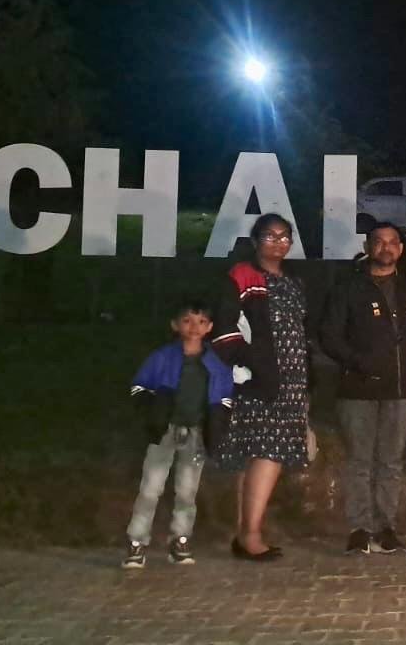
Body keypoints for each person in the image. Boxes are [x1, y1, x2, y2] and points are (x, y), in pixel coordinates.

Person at [211, 214, 312, 562]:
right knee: (267, 451)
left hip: (292, 380)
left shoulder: (295, 281)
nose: (278, 242)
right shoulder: (242, 275)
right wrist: (255, 363)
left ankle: (245, 533)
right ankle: (252, 534)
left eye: (284, 236)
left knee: (258, 453)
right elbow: (224, 329)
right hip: (260, 379)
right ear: (256, 240)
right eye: (270, 236)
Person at [320, 222, 406, 556]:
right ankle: (360, 528)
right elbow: (329, 335)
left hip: (399, 390)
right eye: (379, 241)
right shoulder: (348, 286)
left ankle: (386, 527)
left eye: (392, 242)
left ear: (401, 249)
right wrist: (358, 362)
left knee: (391, 462)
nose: (386, 247)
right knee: (359, 461)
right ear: (367, 246)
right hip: (357, 390)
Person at [121, 299, 235, 568]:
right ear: (175, 325)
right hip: (164, 432)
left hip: (196, 434)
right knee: (150, 488)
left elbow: (225, 396)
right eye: (187, 321)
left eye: (201, 322)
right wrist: (152, 412)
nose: (194, 327)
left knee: (187, 491)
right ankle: (136, 543)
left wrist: (217, 423)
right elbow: (139, 386)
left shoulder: (215, 363)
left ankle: (180, 540)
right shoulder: (162, 358)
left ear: (209, 327)